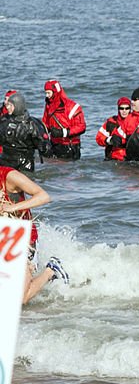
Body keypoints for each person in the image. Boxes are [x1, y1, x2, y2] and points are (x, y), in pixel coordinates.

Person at [0, 164, 68, 304]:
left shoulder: (9, 175)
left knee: (20, 299)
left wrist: (12, 207)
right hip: (3, 240)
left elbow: (43, 196)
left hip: (23, 240)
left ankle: (52, 270)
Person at [0, 92, 50, 172]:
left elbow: (45, 149)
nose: (7, 107)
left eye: (10, 105)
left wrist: (43, 145)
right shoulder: (4, 121)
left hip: (24, 163)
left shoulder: (32, 124)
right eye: (7, 105)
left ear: (17, 106)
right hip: (4, 161)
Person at [40, 79, 86, 160]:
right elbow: (45, 125)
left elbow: (81, 127)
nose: (47, 95)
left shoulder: (73, 107)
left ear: (55, 92)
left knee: (69, 170)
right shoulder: (48, 106)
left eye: (48, 93)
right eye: (46, 93)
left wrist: (63, 132)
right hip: (54, 145)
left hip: (70, 146)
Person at [96, 97, 132, 161]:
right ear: (118, 109)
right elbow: (99, 138)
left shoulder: (135, 122)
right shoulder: (111, 122)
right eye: (121, 108)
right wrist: (110, 140)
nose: (124, 111)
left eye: (127, 108)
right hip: (112, 158)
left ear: (130, 109)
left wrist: (123, 141)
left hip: (129, 158)